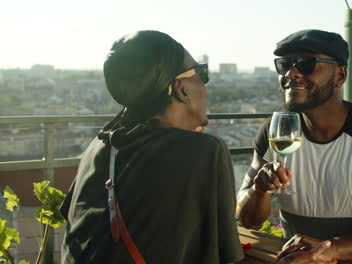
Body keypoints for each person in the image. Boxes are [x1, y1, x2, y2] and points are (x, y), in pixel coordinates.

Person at [59, 30, 331, 264]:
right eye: (200, 72)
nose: (205, 83)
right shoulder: (202, 150)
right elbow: (228, 254)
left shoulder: (102, 143)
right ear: (181, 88)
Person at [237, 29, 352, 264]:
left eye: (306, 63)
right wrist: (260, 190)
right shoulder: (274, 133)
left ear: (340, 75)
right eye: (285, 64)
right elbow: (247, 219)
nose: (292, 73)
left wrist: (330, 250)